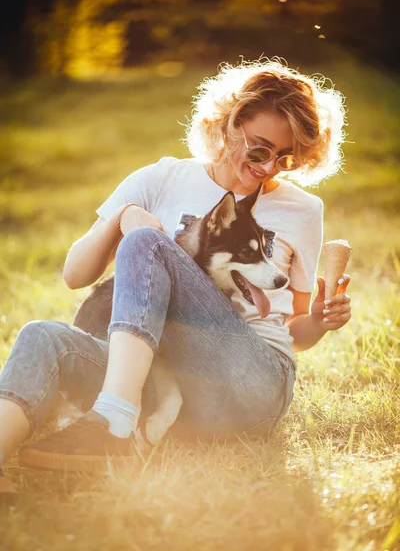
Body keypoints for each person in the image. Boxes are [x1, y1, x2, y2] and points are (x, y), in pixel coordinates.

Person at [0, 59, 351, 500]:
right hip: (160, 388)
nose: (269, 168)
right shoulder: (161, 178)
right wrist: (124, 217)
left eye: (286, 157)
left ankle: (113, 419)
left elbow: (296, 331)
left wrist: (318, 320)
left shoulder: (303, 210)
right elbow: (75, 276)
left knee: (148, 242)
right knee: (42, 336)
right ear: (228, 124)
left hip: (249, 386)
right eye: (259, 149)